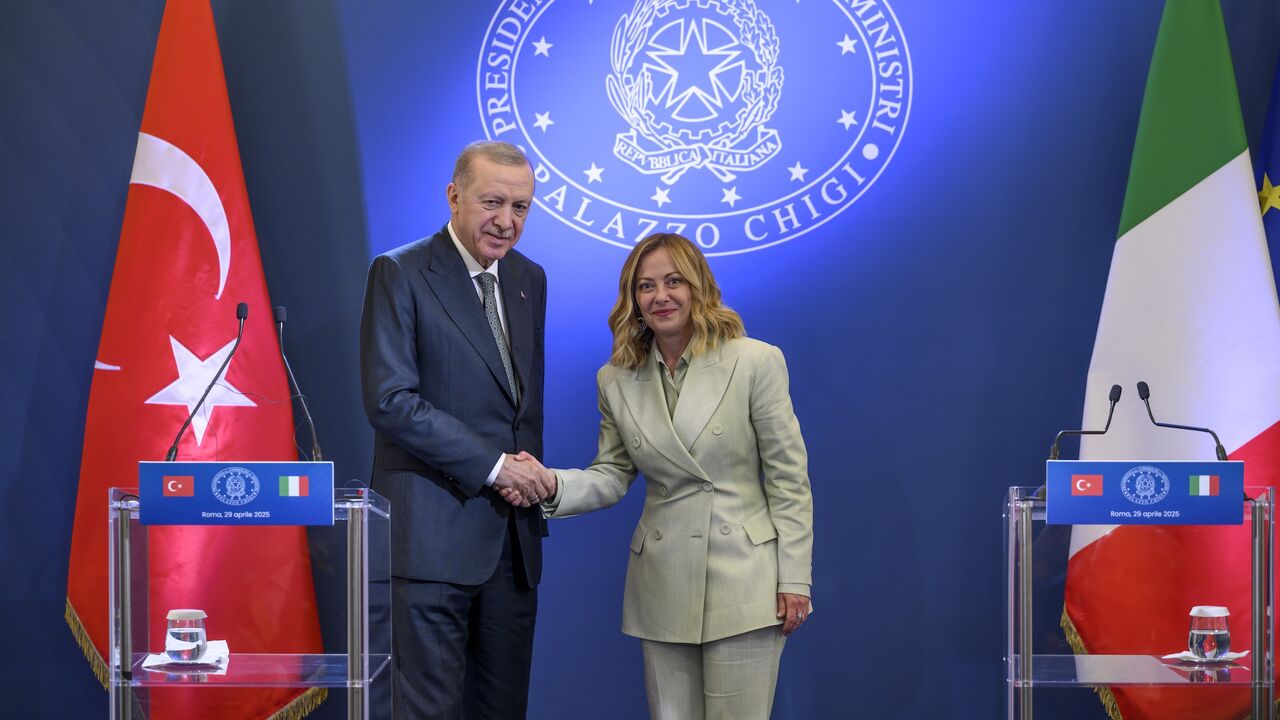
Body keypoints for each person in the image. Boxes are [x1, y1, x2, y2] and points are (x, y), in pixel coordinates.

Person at [509, 232, 813, 719]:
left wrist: (795, 579)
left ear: (698, 287)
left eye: (674, 281)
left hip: (745, 577)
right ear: (633, 299)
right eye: (646, 286)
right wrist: (551, 484)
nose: (660, 296)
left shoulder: (755, 360)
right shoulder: (615, 378)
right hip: (663, 581)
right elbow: (611, 474)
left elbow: (788, 480)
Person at [360, 140, 556, 719]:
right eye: (492, 202)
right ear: (453, 196)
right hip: (430, 543)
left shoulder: (529, 278)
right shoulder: (399, 272)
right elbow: (391, 400)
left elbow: (520, 408)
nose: (506, 221)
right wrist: (497, 469)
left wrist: (525, 483)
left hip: (511, 546)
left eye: (521, 207)